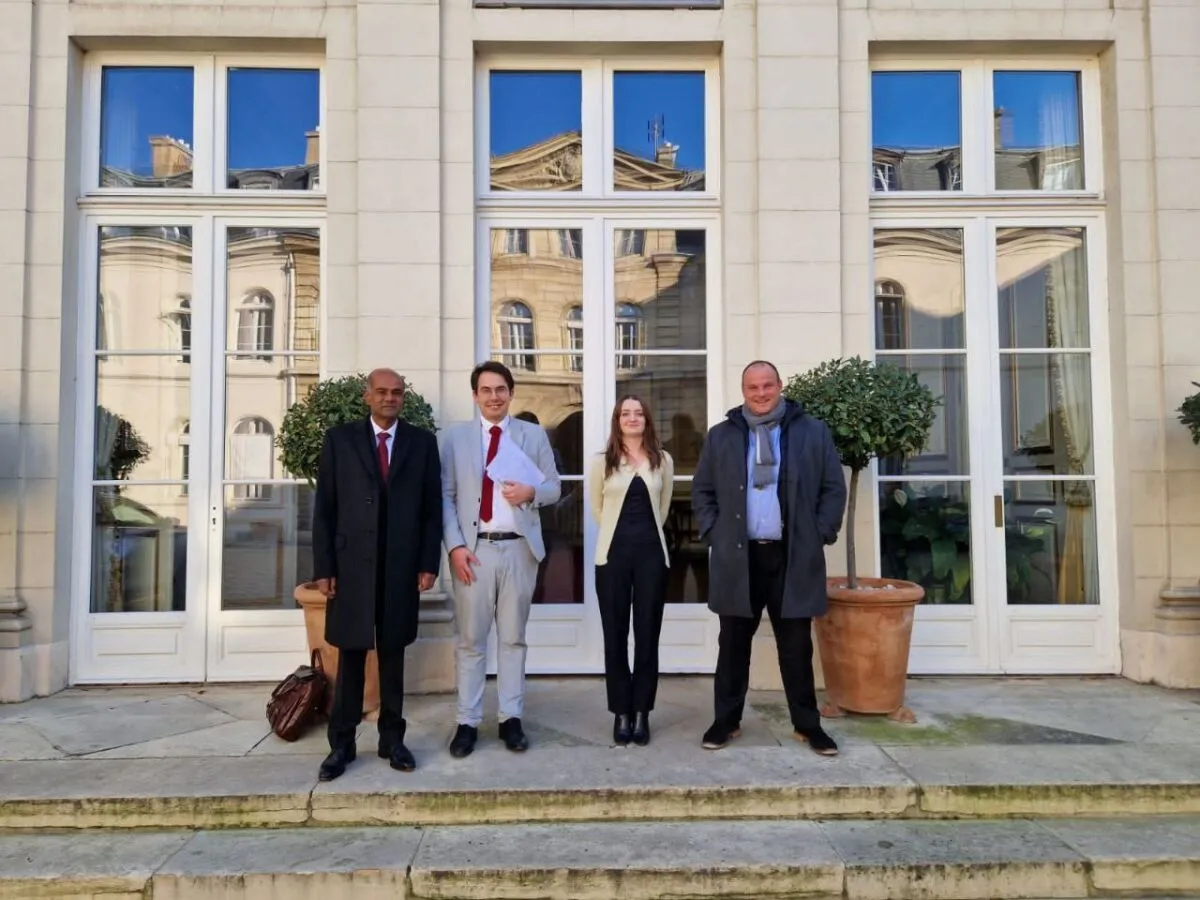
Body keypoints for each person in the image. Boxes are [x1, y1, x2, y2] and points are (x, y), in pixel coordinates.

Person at [692, 360, 847, 756]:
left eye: (767, 385)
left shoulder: (812, 431)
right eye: (752, 387)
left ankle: (808, 725)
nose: (760, 394)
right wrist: (715, 533)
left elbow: (833, 487)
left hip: (791, 556)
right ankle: (726, 721)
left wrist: (819, 533)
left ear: (779, 385)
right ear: (743, 391)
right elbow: (703, 490)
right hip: (738, 557)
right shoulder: (722, 436)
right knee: (733, 646)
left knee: (796, 647)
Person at [312, 368, 443, 781]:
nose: (390, 398)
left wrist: (428, 563)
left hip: (400, 566)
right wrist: (324, 568)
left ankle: (392, 739)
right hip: (350, 567)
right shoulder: (340, 440)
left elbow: (432, 509)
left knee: (392, 654)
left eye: (397, 392)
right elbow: (325, 508)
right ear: (367, 396)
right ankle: (342, 745)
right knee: (350, 656)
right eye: (382, 391)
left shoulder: (422, 443)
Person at [440, 361, 561, 757]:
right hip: (473, 552)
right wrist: (456, 547)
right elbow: (445, 496)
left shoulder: (531, 435)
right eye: (486, 390)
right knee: (471, 641)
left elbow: (554, 487)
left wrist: (531, 492)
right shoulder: (455, 438)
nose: (494, 397)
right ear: (475, 395)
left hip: (519, 549)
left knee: (512, 638)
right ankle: (467, 721)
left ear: (511, 393)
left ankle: (511, 718)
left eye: (501, 390)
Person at [588, 396, 674, 746]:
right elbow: (597, 508)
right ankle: (621, 712)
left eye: (639, 413)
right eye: (626, 413)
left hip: (652, 555)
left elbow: (663, 507)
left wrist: (644, 539)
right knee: (615, 635)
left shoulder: (662, 460)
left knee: (648, 635)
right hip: (613, 556)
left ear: (647, 420)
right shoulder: (602, 462)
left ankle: (642, 713)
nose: (633, 418)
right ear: (617, 420)